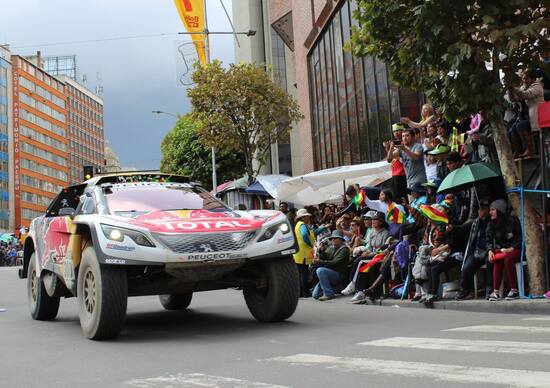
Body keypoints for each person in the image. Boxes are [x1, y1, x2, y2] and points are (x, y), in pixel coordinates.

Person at [455, 199, 492, 300]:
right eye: (479, 209)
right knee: (466, 267)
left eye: (483, 209)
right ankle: (465, 291)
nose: (480, 211)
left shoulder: (492, 222)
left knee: (490, 263)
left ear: (489, 210)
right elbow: (461, 228)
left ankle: (489, 289)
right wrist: (451, 227)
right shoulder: (475, 222)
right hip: (477, 251)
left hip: (489, 250)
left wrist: (490, 250)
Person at [486, 199, 523, 301]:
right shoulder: (491, 224)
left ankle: (514, 290)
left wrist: (512, 248)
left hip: (516, 248)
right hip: (502, 250)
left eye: (493, 210)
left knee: (508, 260)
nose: (490, 212)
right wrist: (490, 250)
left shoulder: (512, 220)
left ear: (500, 210)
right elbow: (488, 239)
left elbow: (520, 237)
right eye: (490, 210)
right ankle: (496, 292)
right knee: (497, 261)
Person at [508, 68, 545, 158]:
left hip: (537, 115)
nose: (524, 81)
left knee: (520, 126)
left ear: (532, 79)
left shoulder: (537, 86)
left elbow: (526, 95)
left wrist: (515, 89)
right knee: (512, 129)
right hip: (526, 115)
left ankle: (530, 149)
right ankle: (518, 151)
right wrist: (510, 91)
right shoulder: (524, 87)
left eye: (526, 79)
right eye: (523, 79)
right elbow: (514, 99)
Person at [292, 209, 328, 297]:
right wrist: (309, 244)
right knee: (303, 274)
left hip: (299, 254)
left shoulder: (300, 225)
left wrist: (324, 228)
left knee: (301, 274)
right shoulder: (302, 225)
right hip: (302, 254)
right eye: (307, 216)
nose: (309, 217)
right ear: (303, 217)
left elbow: (313, 233)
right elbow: (304, 235)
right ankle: (305, 293)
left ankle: (300, 293)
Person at [312, 230, 350, 301]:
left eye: (335, 238)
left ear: (341, 239)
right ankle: (338, 288)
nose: (333, 240)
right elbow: (324, 257)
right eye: (332, 238)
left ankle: (329, 293)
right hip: (328, 273)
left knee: (320, 270)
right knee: (315, 295)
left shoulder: (344, 249)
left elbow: (334, 262)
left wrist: (319, 261)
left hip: (338, 274)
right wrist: (321, 251)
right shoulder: (330, 248)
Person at [384, 123, 408, 202]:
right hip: (395, 174)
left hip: (402, 174)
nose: (396, 133)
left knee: (402, 198)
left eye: (398, 130)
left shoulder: (404, 142)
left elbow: (402, 158)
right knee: (396, 198)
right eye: (394, 131)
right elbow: (389, 160)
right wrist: (388, 148)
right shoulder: (393, 144)